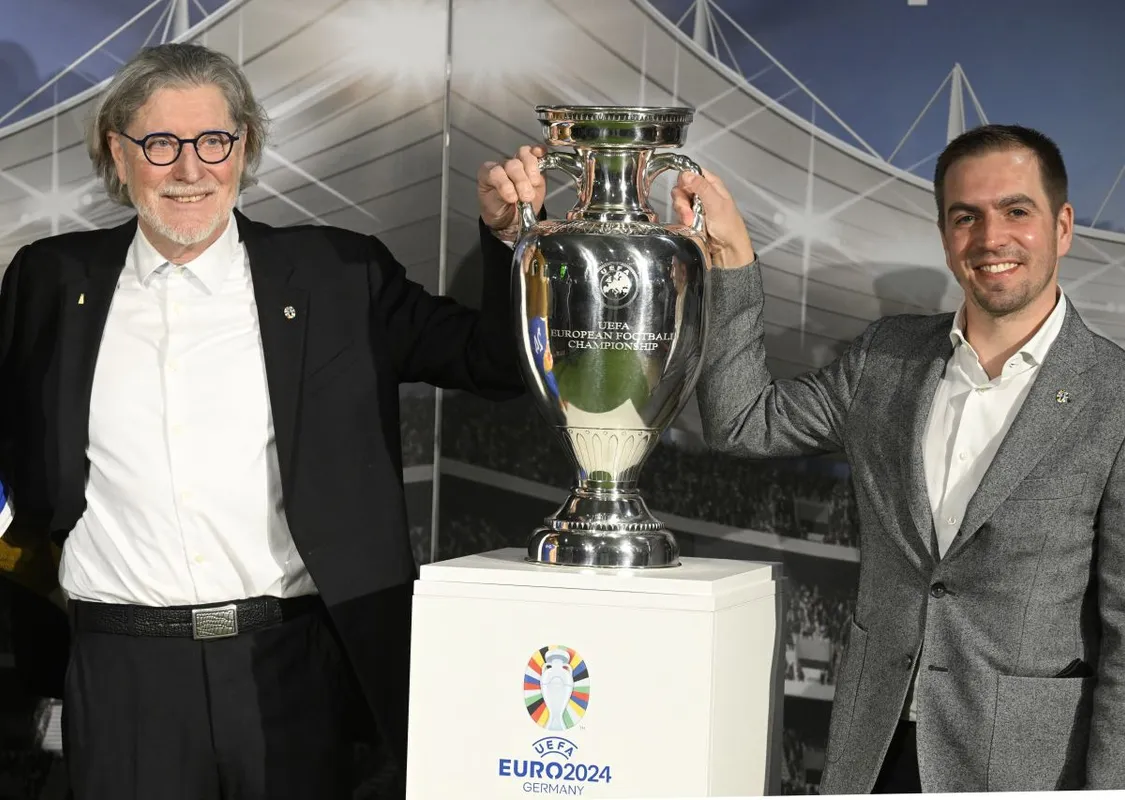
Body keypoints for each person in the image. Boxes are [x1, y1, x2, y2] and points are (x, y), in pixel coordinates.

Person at [498, 122, 1125, 793]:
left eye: (1016, 212)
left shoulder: (1112, 396)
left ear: (1061, 227)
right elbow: (745, 423)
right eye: (964, 216)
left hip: (1024, 770)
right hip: (871, 751)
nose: (990, 238)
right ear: (944, 234)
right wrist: (733, 262)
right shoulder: (887, 359)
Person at [0, 42, 545, 800]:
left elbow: (493, 366)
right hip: (121, 675)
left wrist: (511, 243)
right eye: (160, 144)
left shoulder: (339, 276)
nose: (189, 169)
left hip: (292, 672)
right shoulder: (50, 280)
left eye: (213, 141)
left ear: (244, 147)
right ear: (116, 154)